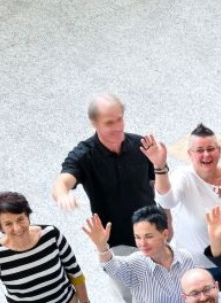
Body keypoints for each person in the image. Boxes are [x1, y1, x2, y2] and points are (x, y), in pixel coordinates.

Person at [144, 124, 221, 288]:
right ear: (190, 154)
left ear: (219, 150)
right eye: (199, 150)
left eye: (211, 149)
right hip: (198, 267)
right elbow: (166, 201)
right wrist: (159, 167)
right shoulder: (183, 177)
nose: (206, 154)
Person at [52, 93, 154, 250]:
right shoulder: (84, 155)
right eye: (109, 123)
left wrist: (167, 218)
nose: (118, 127)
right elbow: (62, 183)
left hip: (152, 230)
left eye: (119, 119)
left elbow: (155, 183)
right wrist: (62, 196)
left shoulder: (140, 145)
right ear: (94, 123)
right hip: (116, 240)